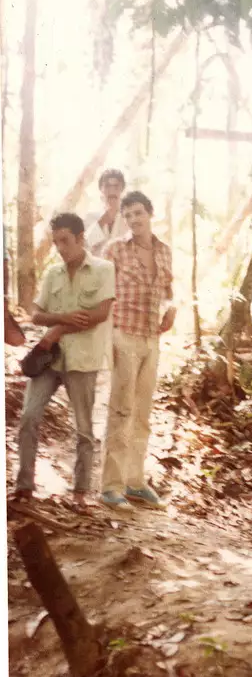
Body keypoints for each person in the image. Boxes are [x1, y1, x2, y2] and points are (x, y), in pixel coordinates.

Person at [14, 213, 115, 502]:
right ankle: (24, 487)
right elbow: (36, 314)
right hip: (50, 359)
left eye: (65, 241)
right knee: (29, 416)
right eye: (56, 241)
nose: (60, 248)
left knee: (83, 428)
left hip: (82, 360)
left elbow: (100, 314)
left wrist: (57, 329)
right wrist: (62, 318)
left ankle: (80, 492)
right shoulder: (53, 274)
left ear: (81, 238)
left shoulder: (103, 269)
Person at [100, 190, 176, 511]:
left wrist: (172, 309)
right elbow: (101, 292)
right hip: (123, 334)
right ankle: (111, 487)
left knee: (142, 412)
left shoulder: (164, 251)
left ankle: (134, 482)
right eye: (128, 215)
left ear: (150, 213)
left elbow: (169, 289)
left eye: (138, 213)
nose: (133, 219)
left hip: (150, 338)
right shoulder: (115, 249)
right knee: (121, 410)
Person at [84, 169, 128, 257]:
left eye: (116, 186)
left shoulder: (128, 217)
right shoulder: (90, 217)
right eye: (107, 186)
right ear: (101, 189)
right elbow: (84, 247)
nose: (112, 191)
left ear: (122, 189)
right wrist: (101, 222)